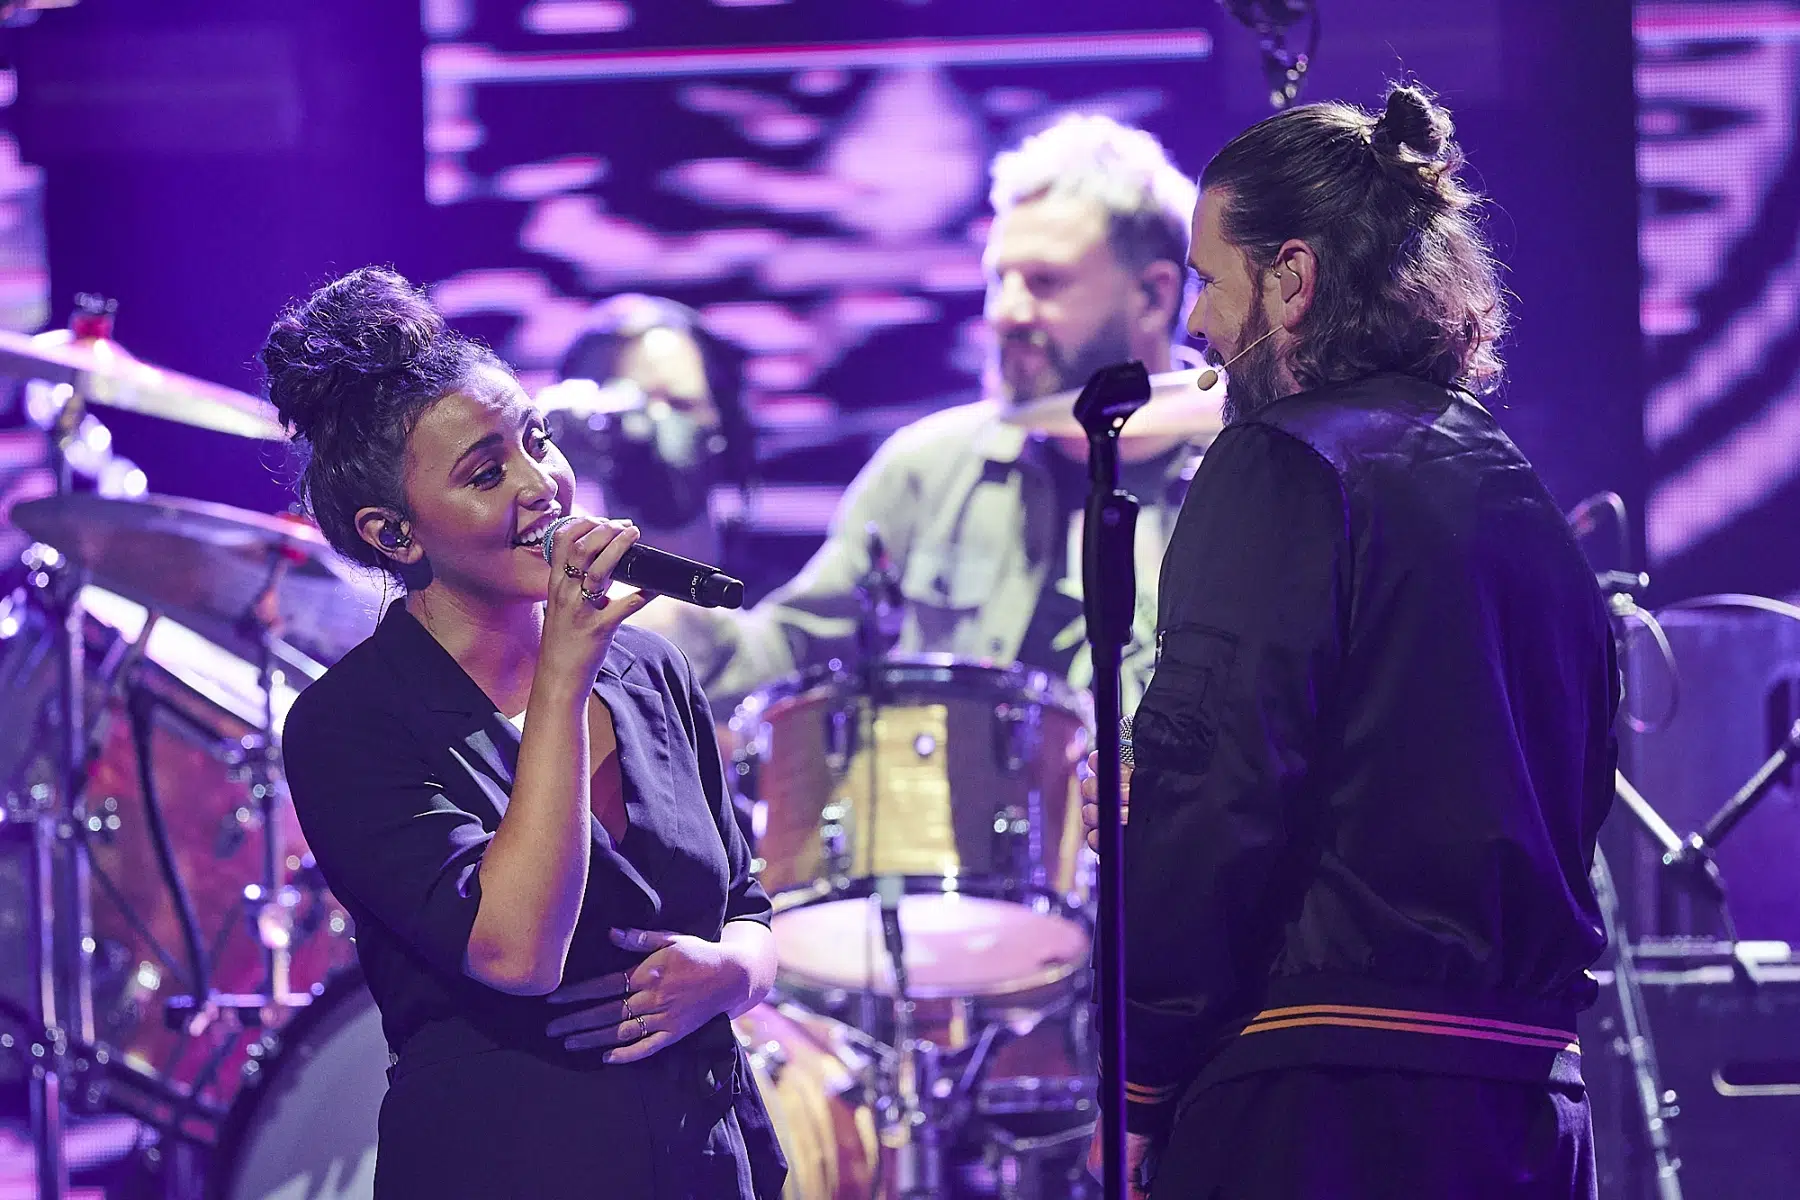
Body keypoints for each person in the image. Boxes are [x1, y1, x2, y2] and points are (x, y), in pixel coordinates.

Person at [1085, 84, 1617, 1197]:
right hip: (1532, 1112)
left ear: (1292, 279)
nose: (1195, 323)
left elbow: (1221, 788)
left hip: (1324, 1104)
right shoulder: (1519, 490)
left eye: (1209, 280)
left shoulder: (1279, 461)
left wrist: (1137, 1074)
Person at [264, 267, 786, 1199]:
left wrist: (733, 975)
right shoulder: (352, 724)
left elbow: (746, 903)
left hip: (705, 1160)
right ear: (394, 534)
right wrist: (561, 679)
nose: (542, 484)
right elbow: (514, 950)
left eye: (537, 440)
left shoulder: (650, 669)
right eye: (485, 473)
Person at [638, 113, 1207, 713]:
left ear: (1154, 296)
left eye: (1045, 282)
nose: (1006, 313)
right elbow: (788, 653)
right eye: (1001, 280)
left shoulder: (1246, 477)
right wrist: (647, 608)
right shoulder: (927, 468)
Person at [539, 293, 754, 568]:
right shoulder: (542, 591)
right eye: (632, 408)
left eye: (680, 404)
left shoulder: (784, 590)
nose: (656, 423)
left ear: (724, 422)